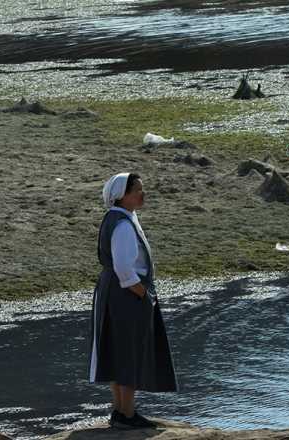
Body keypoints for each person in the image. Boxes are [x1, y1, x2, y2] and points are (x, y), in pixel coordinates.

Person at [89, 172, 177, 430]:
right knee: (129, 352)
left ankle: (119, 411)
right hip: (125, 294)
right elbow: (125, 269)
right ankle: (127, 414)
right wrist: (142, 294)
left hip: (113, 292)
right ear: (122, 195)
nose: (142, 193)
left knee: (118, 352)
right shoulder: (124, 225)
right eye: (137, 190)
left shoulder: (116, 218)